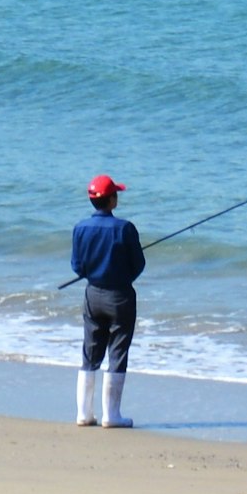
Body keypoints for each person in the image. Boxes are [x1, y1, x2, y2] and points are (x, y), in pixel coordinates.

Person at [68, 174, 146, 428]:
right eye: (116, 194)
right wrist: (120, 277)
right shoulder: (125, 228)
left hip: (92, 294)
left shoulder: (80, 228)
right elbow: (138, 265)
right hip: (120, 296)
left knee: (90, 352)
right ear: (111, 200)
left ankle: (84, 413)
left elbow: (77, 266)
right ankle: (111, 415)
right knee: (118, 351)